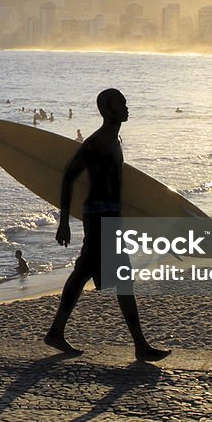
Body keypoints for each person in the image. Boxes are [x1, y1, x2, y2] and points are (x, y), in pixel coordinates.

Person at [47, 88, 169, 362]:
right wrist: (63, 222)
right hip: (99, 217)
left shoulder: (114, 140)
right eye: (121, 104)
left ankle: (56, 332)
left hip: (109, 217)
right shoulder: (98, 142)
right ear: (108, 110)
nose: (126, 107)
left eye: (125, 102)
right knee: (119, 277)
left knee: (88, 275)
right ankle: (140, 345)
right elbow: (68, 177)